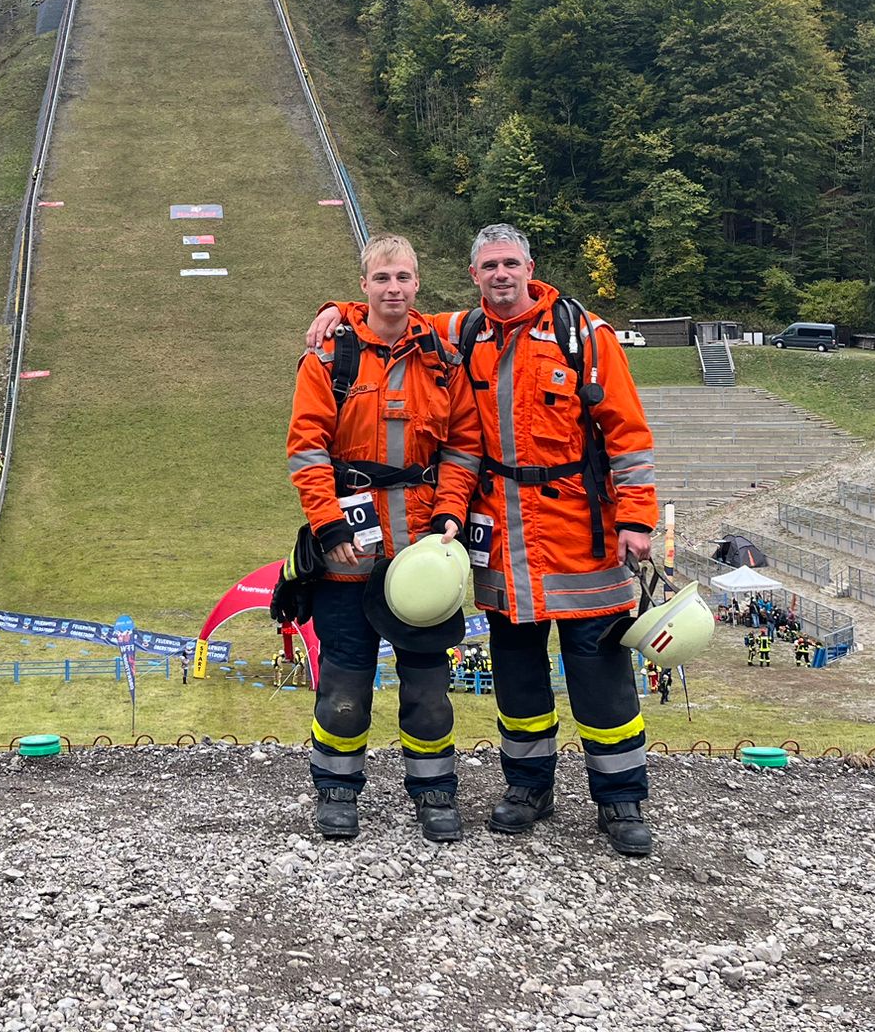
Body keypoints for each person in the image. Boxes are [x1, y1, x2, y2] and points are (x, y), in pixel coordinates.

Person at [307, 221, 662, 857]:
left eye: (511, 264)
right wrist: (337, 310)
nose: (501, 275)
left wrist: (638, 516)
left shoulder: (586, 337)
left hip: (584, 536)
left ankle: (622, 800)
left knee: (601, 676)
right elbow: (390, 312)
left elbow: (628, 434)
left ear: (531, 267)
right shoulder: (460, 332)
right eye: (489, 266)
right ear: (473, 277)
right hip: (504, 545)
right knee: (518, 677)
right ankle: (527, 789)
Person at [283, 235, 483, 843]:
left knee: (428, 688)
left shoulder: (444, 359)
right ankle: (337, 791)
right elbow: (306, 449)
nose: (393, 289)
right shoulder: (328, 360)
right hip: (349, 555)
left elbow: (464, 446)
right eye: (381, 279)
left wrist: (450, 514)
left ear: (417, 283)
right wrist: (328, 524)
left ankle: (436, 793)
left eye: (403, 278)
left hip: (422, 555)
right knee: (344, 682)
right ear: (363, 285)